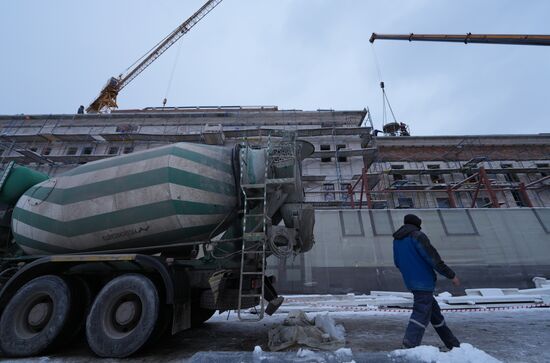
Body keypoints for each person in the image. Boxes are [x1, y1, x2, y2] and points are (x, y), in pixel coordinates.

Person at [392, 214, 461, 350]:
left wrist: (409, 273)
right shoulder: (418, 236)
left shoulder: (397, 240)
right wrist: (451, 275)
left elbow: (397, 262)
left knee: (434, 314)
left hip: (411, 281)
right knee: (421, 312)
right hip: (423, 281)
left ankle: (453, 344)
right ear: (417, 225)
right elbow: (433, 258)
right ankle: (410, 344)